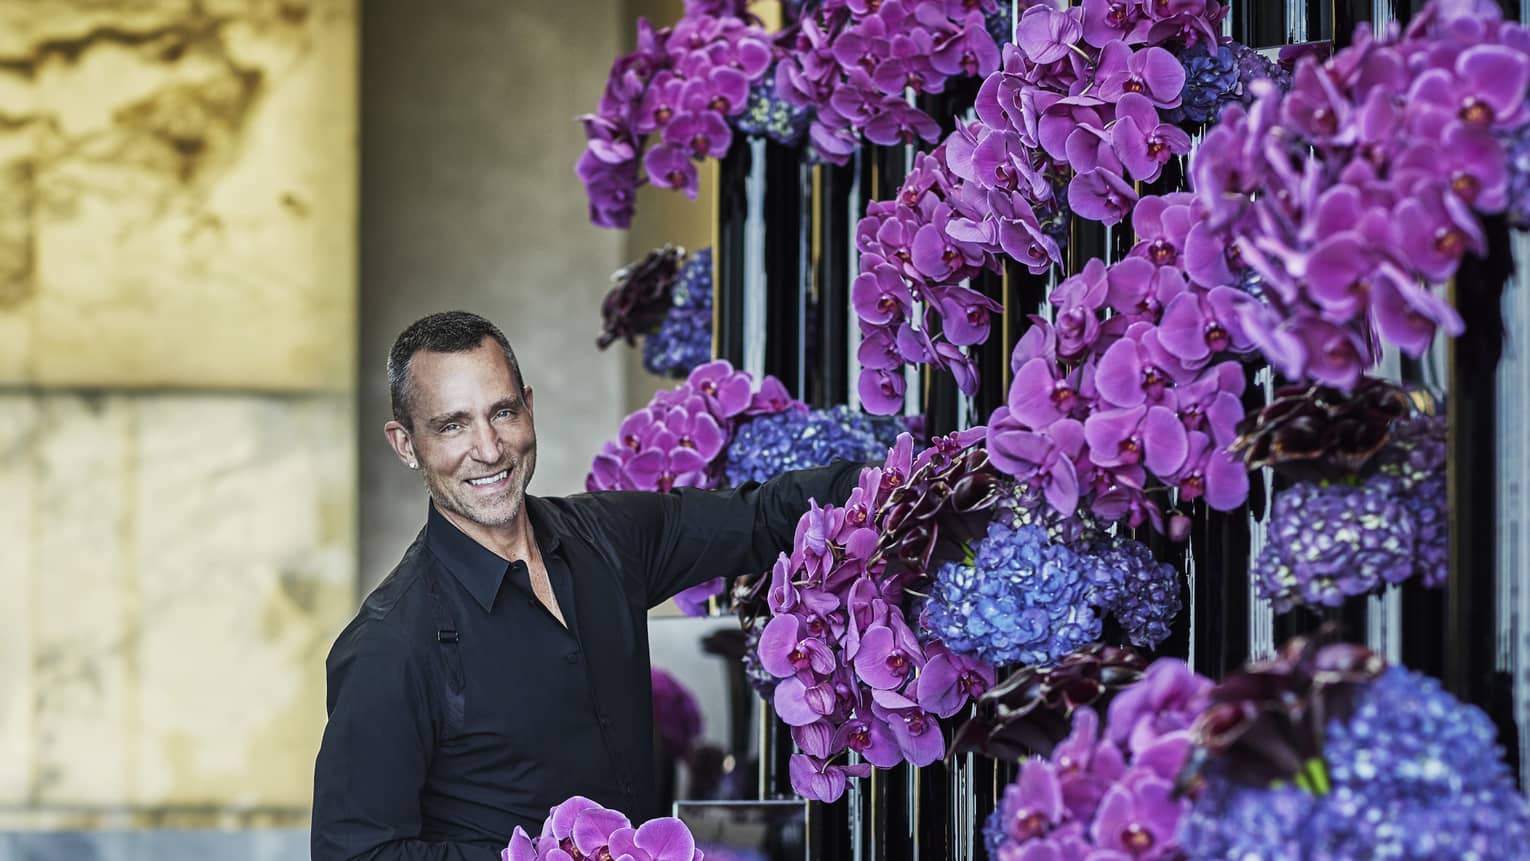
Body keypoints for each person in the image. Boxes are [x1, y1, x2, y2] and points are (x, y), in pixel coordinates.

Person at [311, 311, 860, 860]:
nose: (488, 448)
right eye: (452, 425)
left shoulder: (608, 538)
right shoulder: (389, 645)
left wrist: (906, 488)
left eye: (502, 412)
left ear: (528, 406)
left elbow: (761, 517)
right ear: (406, 444)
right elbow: (356, 855)